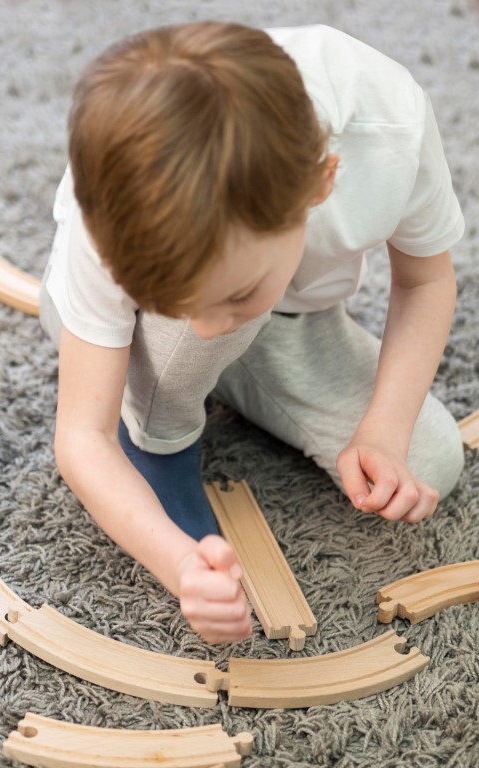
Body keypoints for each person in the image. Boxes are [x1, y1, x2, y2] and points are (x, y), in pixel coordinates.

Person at [39, 22, 465, 644]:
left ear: (321, 183)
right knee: (201, 333)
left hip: (294, 314)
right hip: (132, 334)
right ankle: (158, 438)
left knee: (432, 459)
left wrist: (385, 431)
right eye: (187, 301)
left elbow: (426, 283)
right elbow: (81, 435)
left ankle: (229, 359)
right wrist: (178, 562)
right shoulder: (109, 205)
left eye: (233, 295)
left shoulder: (391, 122)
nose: (206, 323)